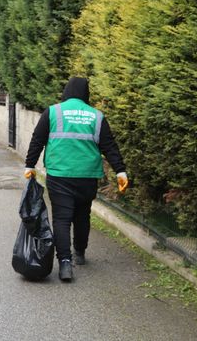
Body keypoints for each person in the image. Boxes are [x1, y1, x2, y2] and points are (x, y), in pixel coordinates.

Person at [24, 77, 128, 282]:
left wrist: (30, 165)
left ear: (66, 91)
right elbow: (109, 146)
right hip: (87, 176)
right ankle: (79, 253)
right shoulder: (97, 116)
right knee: (82, 215)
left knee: (62, 219)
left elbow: (38, 139)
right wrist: (120, 171)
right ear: (85, 93)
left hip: (59, 174)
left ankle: (64, 263)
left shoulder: (53, 112)